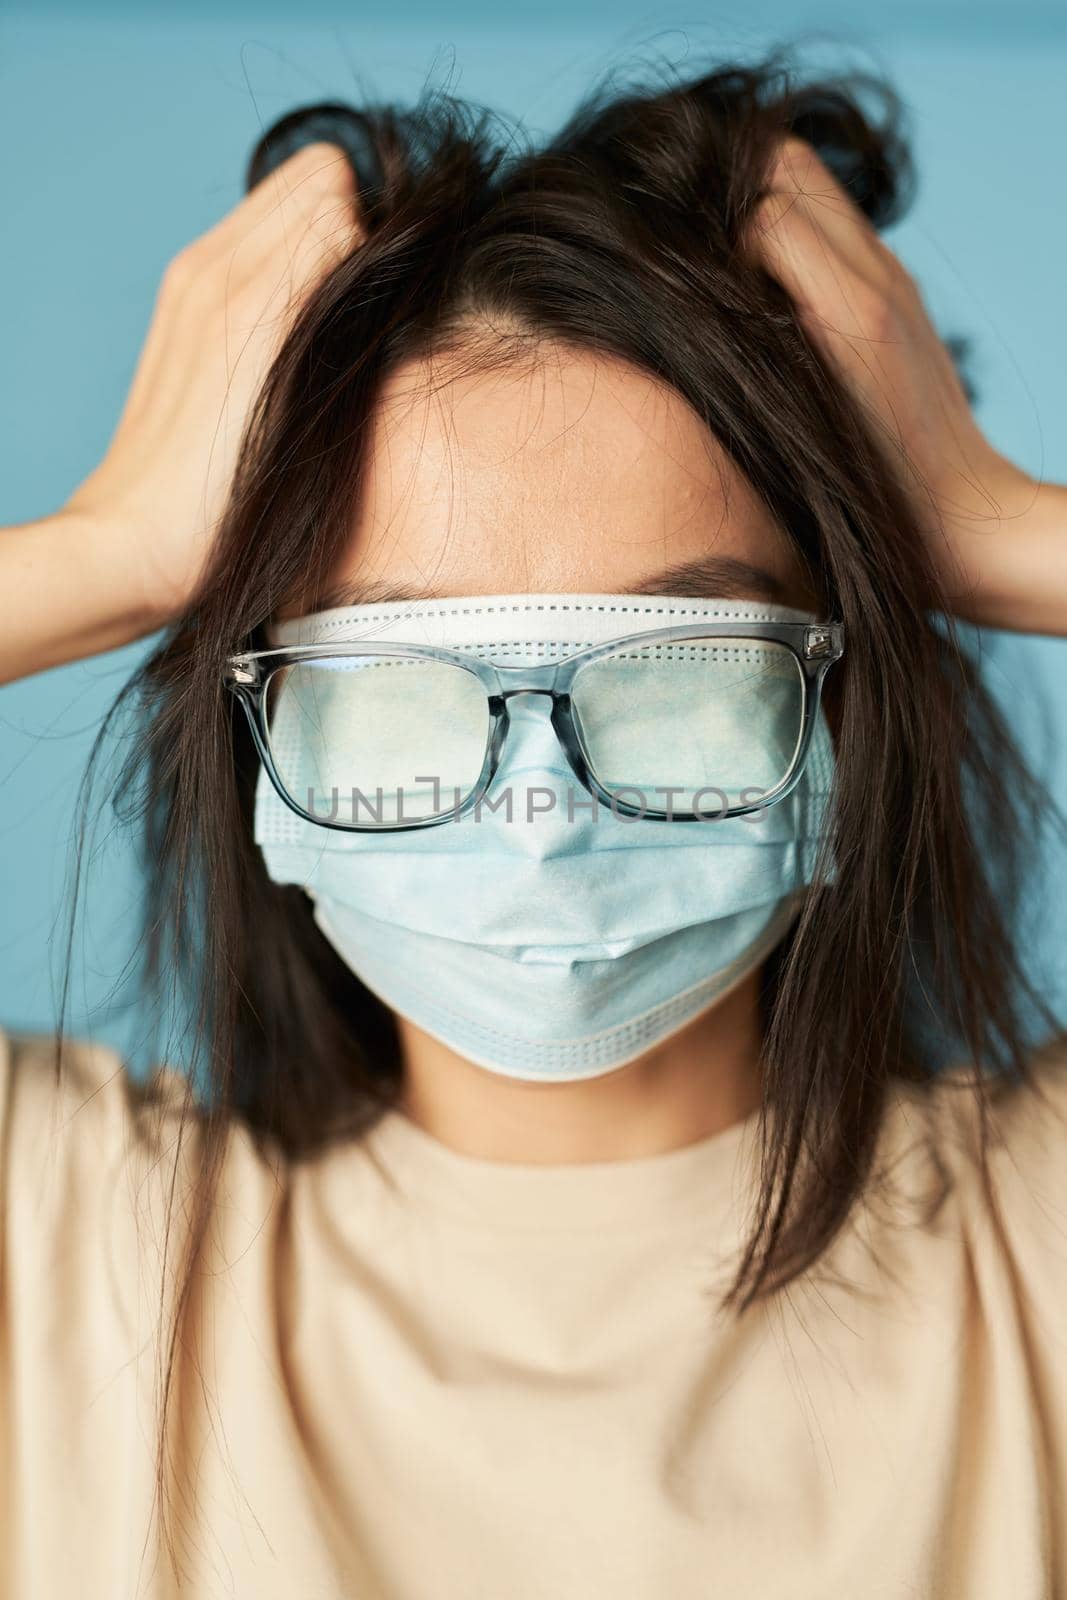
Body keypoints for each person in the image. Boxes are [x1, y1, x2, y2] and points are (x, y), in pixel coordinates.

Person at [1, 53, 1065, 1600]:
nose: (540, 810)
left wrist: (977, 524)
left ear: (840, 705)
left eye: (683, 661)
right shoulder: (62, 1260)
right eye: (392, 672)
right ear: (262, 725)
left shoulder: (1035, 1246)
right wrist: (112, 550)